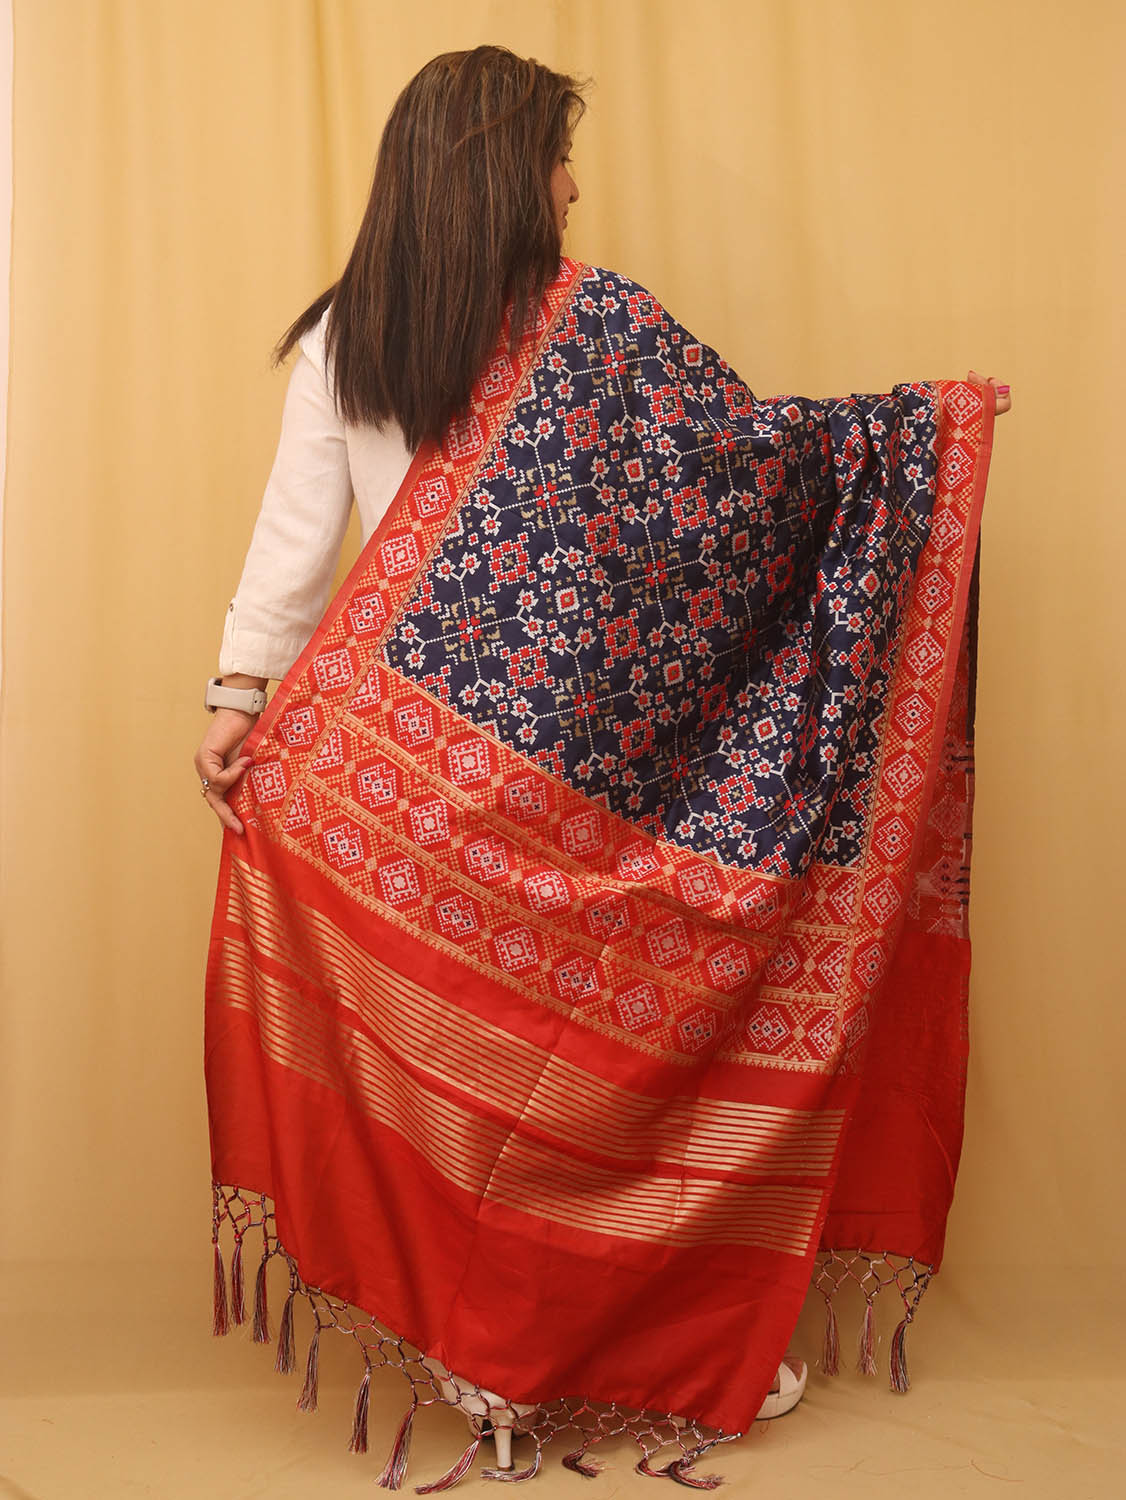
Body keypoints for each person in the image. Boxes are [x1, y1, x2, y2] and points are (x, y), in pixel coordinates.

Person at [197, 45, 1010, 1487]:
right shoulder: (597, 327)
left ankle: (486, 1365)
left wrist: (236, 697)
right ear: (512, 170)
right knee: (583, 1094)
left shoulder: (346, 334)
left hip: (397, 796)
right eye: (561, 155)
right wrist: (918, 434)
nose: (575, 185)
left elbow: (293, 542)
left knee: (453, 1097)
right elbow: (752, 487)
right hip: (575, 800)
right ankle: (591, 1350)